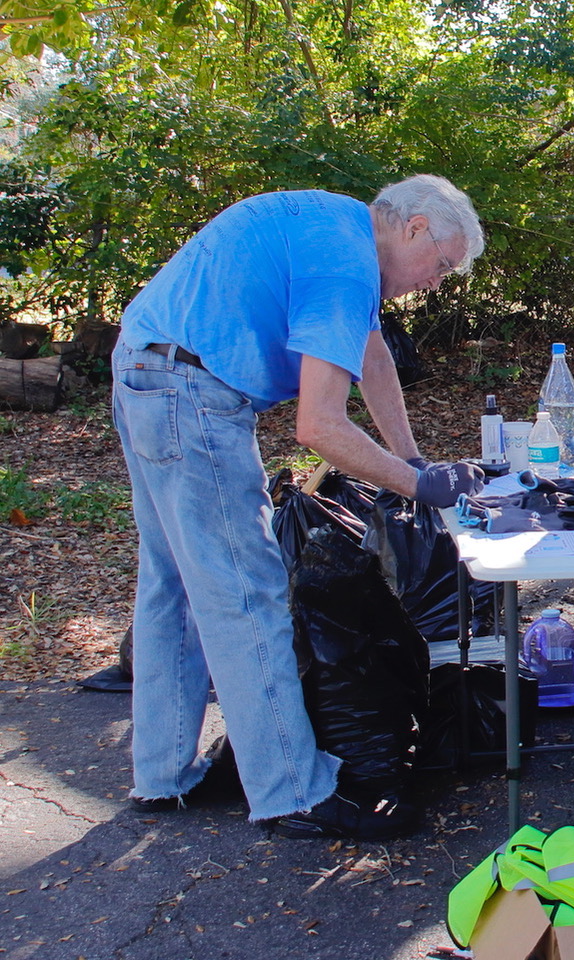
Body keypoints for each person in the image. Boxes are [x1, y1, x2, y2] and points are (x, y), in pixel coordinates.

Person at [111, 174, 486, 840]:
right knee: (245, 594)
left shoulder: (336, 231)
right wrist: (417, 486)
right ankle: (291, 793)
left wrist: (414, 460)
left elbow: (372, 360)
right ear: (415, 228)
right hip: (192, 396)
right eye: (442, 265)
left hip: (149, 369)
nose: (435, 283)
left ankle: (163, 774)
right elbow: (317, 427)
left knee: (172, 586)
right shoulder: (345, 266)